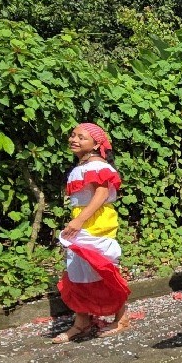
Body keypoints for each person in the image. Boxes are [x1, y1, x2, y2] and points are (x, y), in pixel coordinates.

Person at [54, 123, 131, 343]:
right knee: (78, 269)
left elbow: (102, 194)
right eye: (72, 135)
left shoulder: (97, 165)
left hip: (95, 222)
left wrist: (78, 220)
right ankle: (82, 322)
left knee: (102, 268)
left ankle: (121, 317)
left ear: (97, 144)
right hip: (84, 220)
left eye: (81, 137)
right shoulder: (83, 166)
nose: (74, 139)